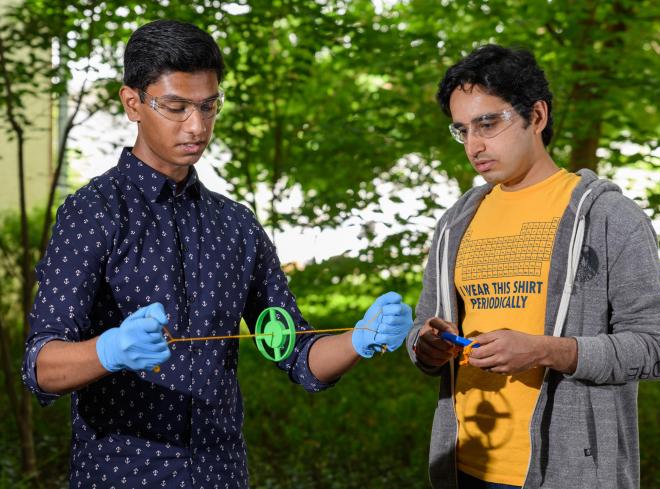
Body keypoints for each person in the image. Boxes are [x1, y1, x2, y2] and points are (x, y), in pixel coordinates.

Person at [22, 20, 413, 489]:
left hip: (222, 473)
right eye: (176, 106)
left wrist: (357, 339)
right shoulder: (93, 212)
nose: (197, 125)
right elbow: (41, 366)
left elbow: (297, 353)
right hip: (122, 473)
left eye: (209, 106)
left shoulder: (236, 225)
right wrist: (110, 350)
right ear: (133, 104)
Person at [407, 44, 660, 489]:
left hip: (569, 472)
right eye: (461, 131)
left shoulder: (608, 217)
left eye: (488, 123)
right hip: (463, 467)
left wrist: (545, 350)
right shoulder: (457, 221)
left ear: (536, 116)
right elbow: (422, 327)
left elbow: (655, 347)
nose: (474, 145)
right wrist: (426, 346)